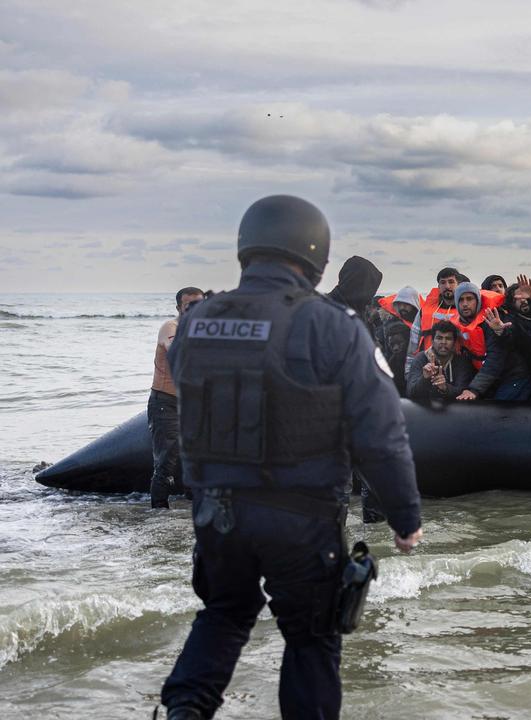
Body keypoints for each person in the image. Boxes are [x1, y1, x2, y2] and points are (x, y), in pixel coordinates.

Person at [158, 195, 422, 720]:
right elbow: (381, 432)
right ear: (315, 253)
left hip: (217, 513)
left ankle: (184, 712)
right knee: (311, 640)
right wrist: (405, 517)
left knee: (224, 615)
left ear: (246, 248)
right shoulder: (334, 325)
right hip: (300, 517)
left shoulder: (197, 321)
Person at [148, 286, 205, 509]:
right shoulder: (170, 327)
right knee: (166, 461)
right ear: (179, 308)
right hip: (166, 403)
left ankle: (190, 508)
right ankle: (158, 513)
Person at [407, 320, 476, 403]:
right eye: (439, 338)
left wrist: (445, 388)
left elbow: (463, 392)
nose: (443, 342)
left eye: (448, 338)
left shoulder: (462, 361)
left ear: (454, 343)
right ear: (432, 341)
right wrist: (425, 379)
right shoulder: (420, 358)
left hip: (454, 412)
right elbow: (410, 392)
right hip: (426, 410)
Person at [373, 286, 419, 397]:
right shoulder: (391, 324)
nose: (403, 307)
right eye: (400, 304)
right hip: (396, 364)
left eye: (407, 304)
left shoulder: (420, 323)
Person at [326, 255, 383, 337]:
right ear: (358, 284)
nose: (370, 297)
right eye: (369, 288)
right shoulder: (325, 310)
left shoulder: (361, 314)